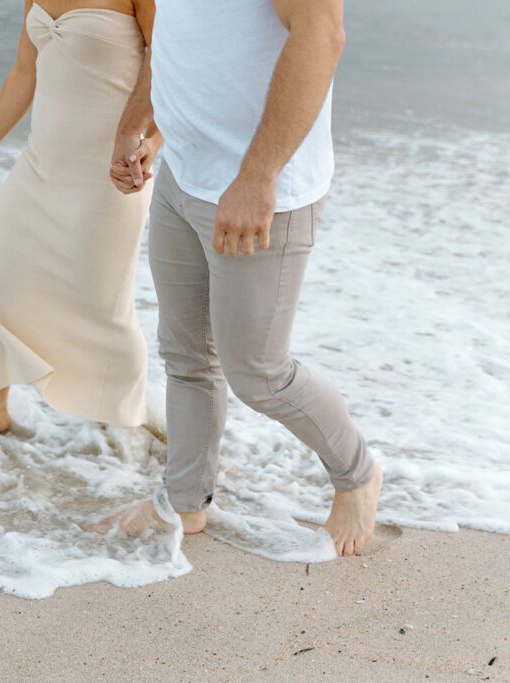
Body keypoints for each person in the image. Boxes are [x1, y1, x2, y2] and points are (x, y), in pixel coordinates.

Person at [105, 0, 383, 557]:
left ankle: (357, 475)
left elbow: (322, 35)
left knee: (259, 372)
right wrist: (136, 125)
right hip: (184, 177)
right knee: (185, 355)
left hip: (260, 190)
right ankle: (184, 501)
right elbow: (176, 40)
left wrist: (257, 176)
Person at [0, 1, 161, 434]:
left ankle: (125, 425)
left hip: (112, 171)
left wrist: (152, 142)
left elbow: (172, 64)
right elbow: (24, 72)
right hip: (41, 162)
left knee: (104, 304)